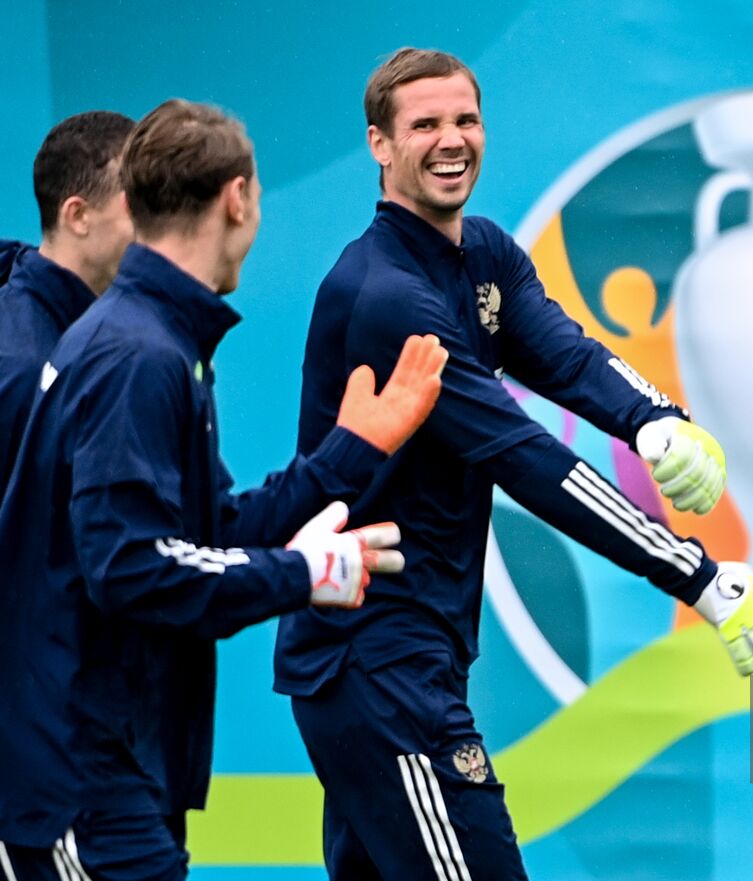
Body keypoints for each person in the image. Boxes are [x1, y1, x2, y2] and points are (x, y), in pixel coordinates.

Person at [275, 47, 753, 880]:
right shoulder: (387, 295)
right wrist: (696, 574)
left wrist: (655, 421)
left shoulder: (483, 253)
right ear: (378, 144)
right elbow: (526, 456)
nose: (452, 141)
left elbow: (567, 356)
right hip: (378, 657)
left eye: (466, 120)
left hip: (402, 656)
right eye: (425, 125)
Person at [0, 99, 449, 880]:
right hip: (76, 778)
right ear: (237, 199)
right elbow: (131, 564)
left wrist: (349, 453)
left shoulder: (155, 338)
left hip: (115, 765)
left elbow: (208, 527)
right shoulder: (136, 351)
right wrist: (305, 575)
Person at [0, 111, 136, 486]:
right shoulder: (19, 369)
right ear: (77, 216)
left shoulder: (132, 335)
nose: (157, 227)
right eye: (139, 207)